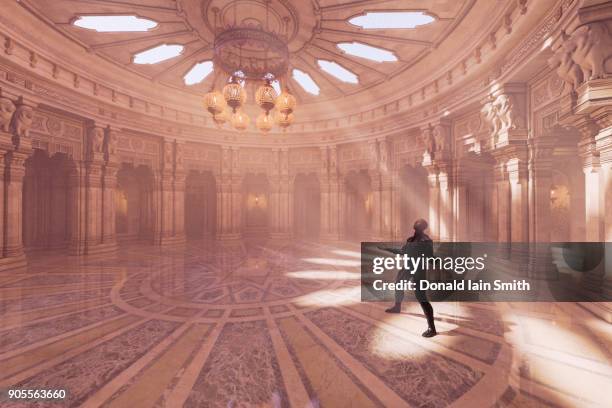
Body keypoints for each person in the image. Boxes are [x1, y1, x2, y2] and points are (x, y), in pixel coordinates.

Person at [379, 218, 437, 337]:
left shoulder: (426, 241)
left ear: (422, 228)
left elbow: (430, 257)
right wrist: (387, 248)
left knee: (421, 297)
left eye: (419, 226)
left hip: (419, 269)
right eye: (416, 225)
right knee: (398, 284)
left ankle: (432, 328)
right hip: (408, 267)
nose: (416, 227)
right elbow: (402, 251)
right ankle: (397, 307)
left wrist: (440, 263)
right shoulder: (410, 240)